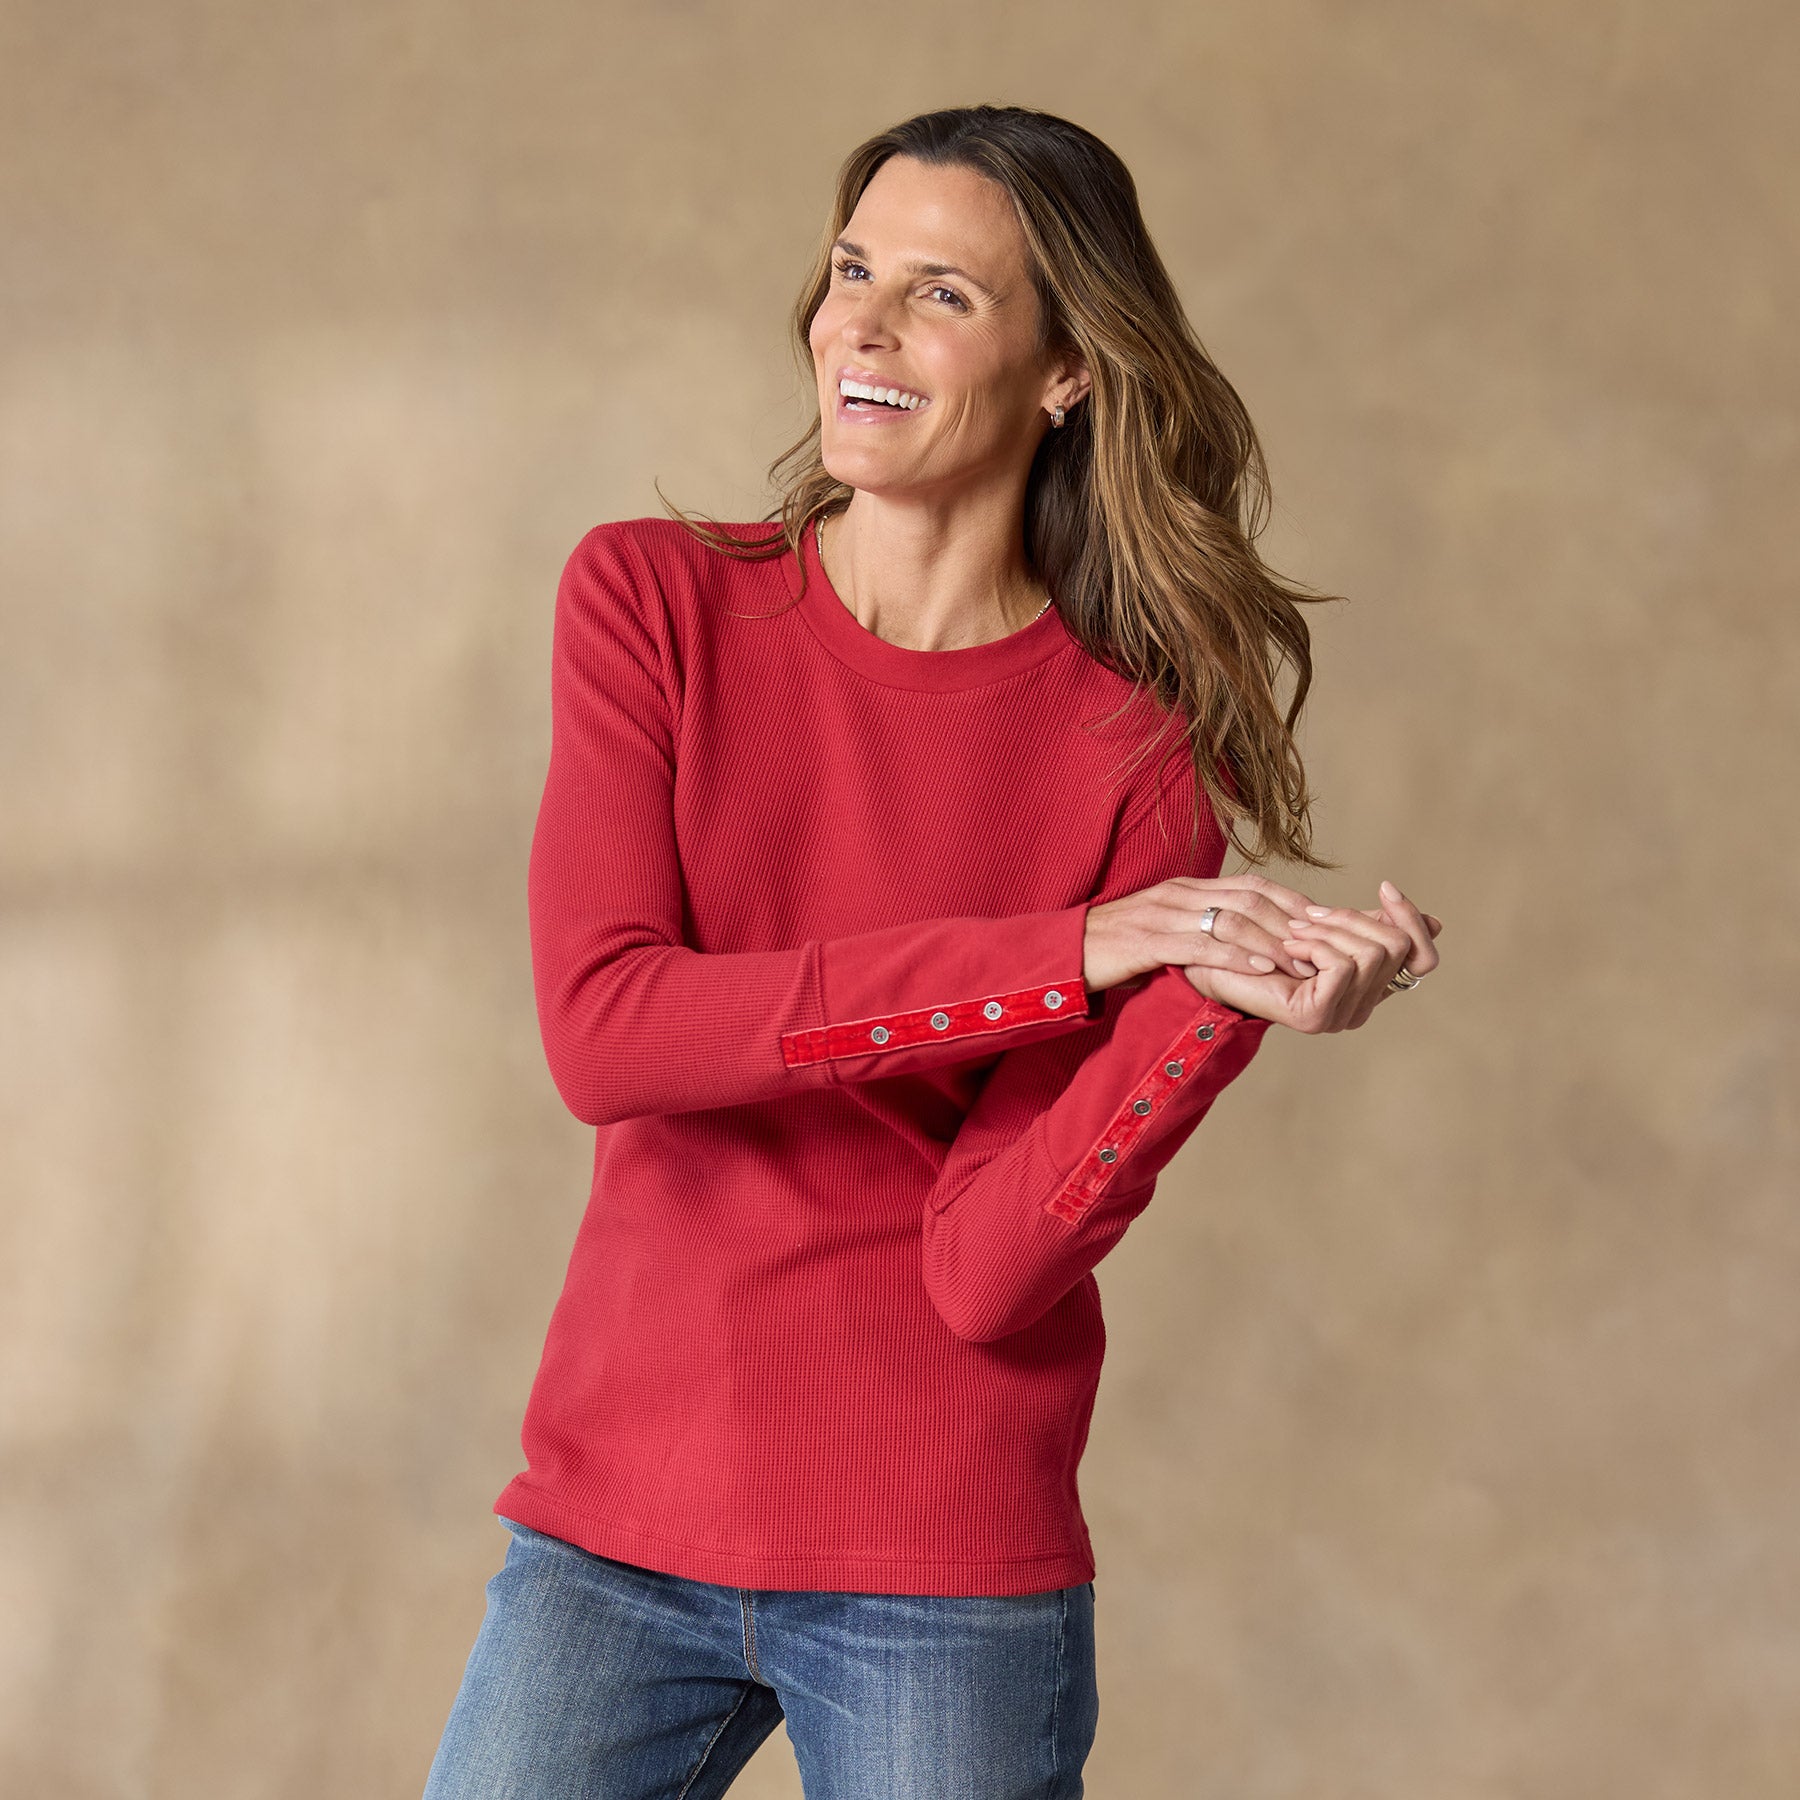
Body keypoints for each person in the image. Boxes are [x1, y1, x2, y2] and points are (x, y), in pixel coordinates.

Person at [421, 103, 1443, 1800]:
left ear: (1067, 372)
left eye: (942, 294)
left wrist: (1205, 1003)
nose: (863, 326)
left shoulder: (1135, 754)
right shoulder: (656, 604)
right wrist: (1069, 950)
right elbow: (611, 1035)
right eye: (851, 270)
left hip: (941, 1558)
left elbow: (985, 1268)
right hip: (617, 1526)